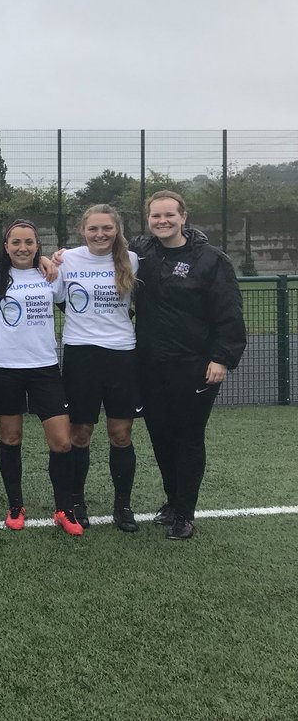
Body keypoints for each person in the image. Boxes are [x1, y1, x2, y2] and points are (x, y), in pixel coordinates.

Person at [131, 191, 246, 540]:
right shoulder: (141, 254)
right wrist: (57, 259)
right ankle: (172, 501)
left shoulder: (211, 260)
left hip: (195, 365)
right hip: (150, 364)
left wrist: (222, 357)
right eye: (155, 216)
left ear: (184, 217)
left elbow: (229, 313)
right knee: (161, 437)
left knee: (189, 437)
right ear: (147, 220)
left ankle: (185, 513)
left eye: (169, 215)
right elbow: (99, 251)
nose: (162, 221)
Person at [0, 220, 82, 535]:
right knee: (10, 439)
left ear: (38, 244)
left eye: (29, 242)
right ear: (5, 245)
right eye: (16, 242)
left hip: (45, 368)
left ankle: (64, 510)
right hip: (5, 368)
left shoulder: (51, 273)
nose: (23, 248)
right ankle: (16, 506)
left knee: (62, 442)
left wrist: (53, 259)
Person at [57, 204, 140, 533]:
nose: (100, 234)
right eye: (93, 228)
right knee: (80, 434)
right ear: (82, 230)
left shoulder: (132, 260)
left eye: (107, 228)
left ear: (117, 230)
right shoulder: (67, 260)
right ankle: (77, 501)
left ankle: (123, 505)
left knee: (121, 435)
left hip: (122, 355)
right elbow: (57, 296)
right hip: (81, 354)